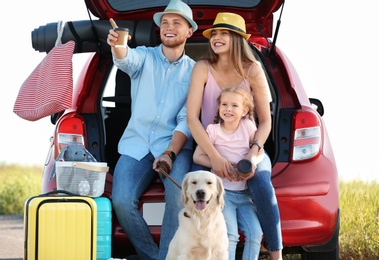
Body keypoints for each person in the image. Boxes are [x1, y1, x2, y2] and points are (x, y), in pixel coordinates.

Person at [186, 12, 283, 259]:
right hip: (211, 145)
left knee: (262, 184)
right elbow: (192, 119)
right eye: (214, 33)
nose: (217, 37)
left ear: (238, 38)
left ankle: (276, 254)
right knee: (201, 182)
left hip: (248, 147)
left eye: (224, 33)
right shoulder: (202, 68)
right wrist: (215, 158)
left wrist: (252, 155)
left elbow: (265, 121)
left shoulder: (253, 70)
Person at [106, 0, 197, 259]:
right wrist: (119, 45)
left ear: (189, 31)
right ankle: (153, 257)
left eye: (176, 23)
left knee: (177, 195)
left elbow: (186, 119)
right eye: (164, 23)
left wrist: (169, 153)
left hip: (174, 147)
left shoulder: (195, 72)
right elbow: (126, 59)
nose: (168, 27)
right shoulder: (144, 56)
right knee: (121, 201)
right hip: (137, 145)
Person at [193, 87, 263, 259]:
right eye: (224, 104)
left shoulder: (247, 126)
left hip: (244, 195)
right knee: (230, 236)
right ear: (218, 108)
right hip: (223, 196)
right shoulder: (213, 130)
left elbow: (259, 151)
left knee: (256, 234)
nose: (228, 109)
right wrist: (219, 165)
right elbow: (197, 156)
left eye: (234, 105)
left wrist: (252, 162)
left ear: (244, 110)